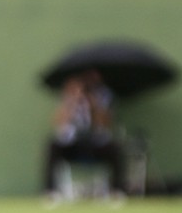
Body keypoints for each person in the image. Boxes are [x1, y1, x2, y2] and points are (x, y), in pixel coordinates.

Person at [43, 69, 126, 198]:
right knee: (53, 146)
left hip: (95, 143)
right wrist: (72, 101)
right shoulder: (68, 96)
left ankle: (116, 190)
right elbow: (57, 121)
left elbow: (106, 123)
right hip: (73, 143)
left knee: (115, 148)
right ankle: (50, 191)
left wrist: (93, 104)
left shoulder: (104, 97)